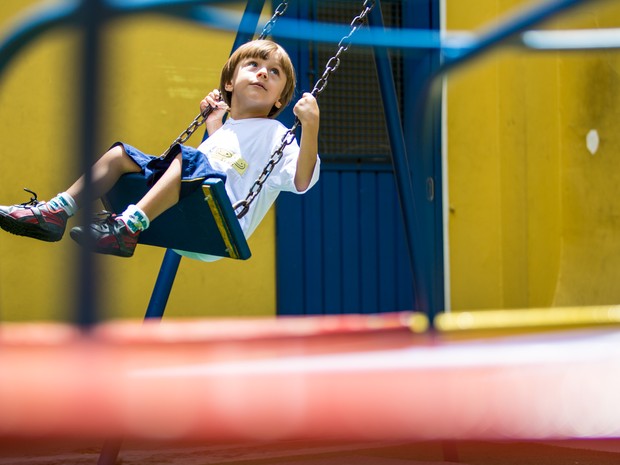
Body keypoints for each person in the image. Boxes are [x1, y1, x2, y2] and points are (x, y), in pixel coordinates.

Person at [0, 40, 320, 260]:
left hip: (221, 226)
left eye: (274, 72)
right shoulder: (226, 131)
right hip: (187, 214)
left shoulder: (277, 134)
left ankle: (128, 226)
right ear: (229, 84)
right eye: (253, 65)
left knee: (188, 158)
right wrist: (213, 122)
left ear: (280, 100)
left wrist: (310, 126)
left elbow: (301, 180)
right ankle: (56, 212)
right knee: (120, 154)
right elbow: (222, 155)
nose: (263, 72)